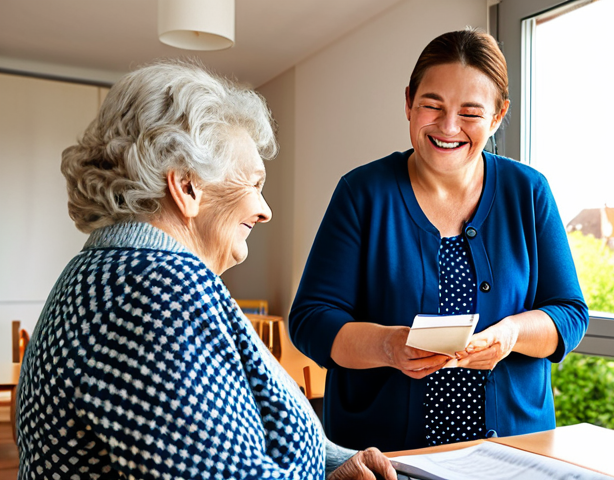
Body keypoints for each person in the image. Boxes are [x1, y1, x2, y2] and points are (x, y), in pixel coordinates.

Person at [16, 59, 396, 480]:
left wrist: (334, 464)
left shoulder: (110, 272)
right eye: (254, 184)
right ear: (187, 187)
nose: (265, 210)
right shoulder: (156, 290)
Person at [289, 29, 589, 452]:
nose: (448, 127)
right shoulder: (361, 193)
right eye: (432, 105)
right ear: (409, 101)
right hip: (384, 457)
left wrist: (510, 336)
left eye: (470, 113)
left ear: (498, 116)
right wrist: (389, 347)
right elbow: (311, 320)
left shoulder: (529, 191)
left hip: (513, 453)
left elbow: (570, 314)